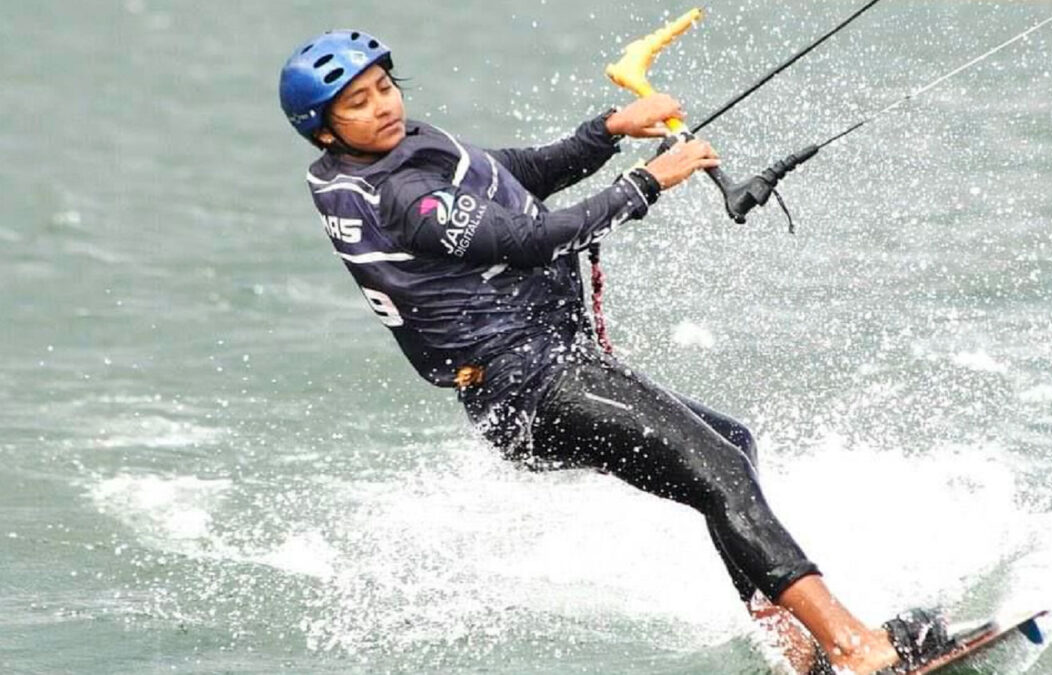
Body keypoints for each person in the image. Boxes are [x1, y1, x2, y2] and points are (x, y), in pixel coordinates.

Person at [278, 30, 953, 675]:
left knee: (730, 446)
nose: (383, 105)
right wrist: (647, 182)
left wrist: (606, 131)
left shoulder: (393, 153)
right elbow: (530, 239)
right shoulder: (403, 197)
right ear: (325, 130)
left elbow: (514, 175)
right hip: (529, 389)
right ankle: (856, 647)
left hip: (541, 374)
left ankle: (795, 646)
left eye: (384, 86)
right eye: (358, 103)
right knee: (721, 472)